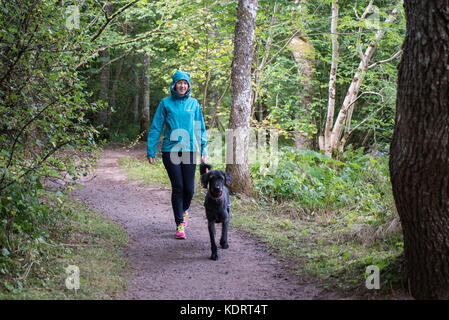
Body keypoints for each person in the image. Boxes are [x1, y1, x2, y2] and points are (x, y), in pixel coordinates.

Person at [147, 70, 208, 239]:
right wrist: (151, 150)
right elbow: (156, 127)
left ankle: (185, 211)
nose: (182, 86)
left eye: (185, 83)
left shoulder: (194, 104)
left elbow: (199, 128)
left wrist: (204, 149)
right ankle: (179, 224)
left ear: (188, 86)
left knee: (189, 189)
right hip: (170, 149)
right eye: (179, 83)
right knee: (178, 187)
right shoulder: (165, 103)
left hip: (189, 149)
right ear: (174, 85)